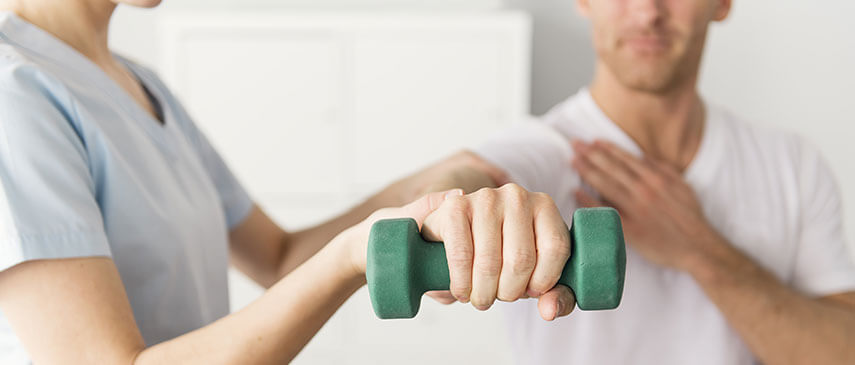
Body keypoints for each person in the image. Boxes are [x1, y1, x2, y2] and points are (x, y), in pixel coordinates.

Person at [0, 0, 577, 363]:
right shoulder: (15, 92)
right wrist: (360, 253)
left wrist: (431, 182)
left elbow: (278, 257)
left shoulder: (140, 83)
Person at [397, 0, 855, 363]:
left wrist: (699, 250)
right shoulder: (542, 148)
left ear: (723, 3)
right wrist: (451, 213)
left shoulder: (793, 164)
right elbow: (467, 179)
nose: (647, 11)